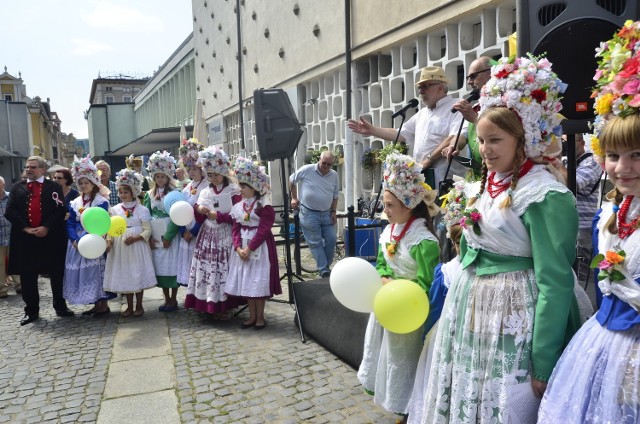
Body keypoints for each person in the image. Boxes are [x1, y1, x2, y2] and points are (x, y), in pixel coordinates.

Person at [422, 55, 582, 422]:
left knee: (509, 403)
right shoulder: (489, 183)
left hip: (517, 317)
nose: (486, 149)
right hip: (476, 312)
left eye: (495, 140)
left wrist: (544, 360)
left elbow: (555, 282)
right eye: (481, 140)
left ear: (522, 139)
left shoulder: (543, 194)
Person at [538, 20, 640, 423]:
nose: (623, 167)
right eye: (614, 156)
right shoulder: (612, 213)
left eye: (637, 156)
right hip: (606, 340)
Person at [357, 153, 440, 420]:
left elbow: (426, 283)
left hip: (408, 314)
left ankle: (408, 408)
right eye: (385, 204)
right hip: (387, 307)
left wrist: (399, 289)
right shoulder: (389, 231)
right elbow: (381, 263)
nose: (386, 210)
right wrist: (383, 278)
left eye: (391, 205)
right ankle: (396, 406)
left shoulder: (423, 241)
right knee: (386, 354)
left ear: (409, 205)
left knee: (405, 359)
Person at [348, 66, 467, 188]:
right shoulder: (422, 113)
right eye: (419, 88)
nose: (421, 91)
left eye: (425, 86)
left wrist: (428, 160)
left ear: (440, 88)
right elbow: (401, 133)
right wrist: (373, 130)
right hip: (423, 177)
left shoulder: (456, 106)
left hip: (446, 179)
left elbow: (454, 137)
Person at [5, 156, 75, 325]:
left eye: (33, 167)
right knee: (28, 276)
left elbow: (60, 210)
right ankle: (31, 311)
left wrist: (46, 227)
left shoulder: (54, 187)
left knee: (56, 274)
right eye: (27, 167)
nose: (29, 169)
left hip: (50, 239)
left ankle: (60, 306)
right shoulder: (17, 188)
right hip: (25, 240)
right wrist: (26, 228)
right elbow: (10, 211)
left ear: (43, 170)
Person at [185, 146, 244, 317]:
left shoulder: (233, 191)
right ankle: (209, 303)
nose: (213, 178)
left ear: (223, 172)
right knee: (209, 269)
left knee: (224, 268)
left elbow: (237, 215)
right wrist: (200, 208)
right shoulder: (205, 191)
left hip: (225, 234)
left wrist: (219, 216)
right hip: (208, 236)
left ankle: (226, 305)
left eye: (216, 174)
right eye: (209, 175)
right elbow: (198, 212)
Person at [226, 157, 281, 329]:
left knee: (258, 280)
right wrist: (237, 247)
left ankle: (260, 316)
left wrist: (250, 248)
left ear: (254, 188)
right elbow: (235, 228)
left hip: (259, 248)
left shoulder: (263, 206)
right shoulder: (238, 206)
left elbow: (264, 229)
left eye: (244, 186)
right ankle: (251, 315)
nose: (240, 190)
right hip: (243, 246)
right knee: (247, 280)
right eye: (240, 186)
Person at [548, 133, 603, 287]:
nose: (564, 146)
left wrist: (557, 166)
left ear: (580, 142)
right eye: (562, 142)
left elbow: (574, 184)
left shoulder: (593, 161)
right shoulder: (564, 161)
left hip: (582, 228)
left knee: (582, 279)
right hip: (563, 226)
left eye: (566, 142)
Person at [103, 169, 156, 317]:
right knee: (126, 274)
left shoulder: (142, 210)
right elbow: (111, 229)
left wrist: (136, 238)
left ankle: (139, 305)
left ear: (133, 192)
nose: (122, 195)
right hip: (121, 247)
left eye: (125, 192)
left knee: (136, 273)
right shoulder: (114, 210)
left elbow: (147, 230)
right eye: (120, 192)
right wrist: (108, 242)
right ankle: (129, 305)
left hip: (137, 246)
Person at [63, 156, 111, 315]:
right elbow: (70, 222)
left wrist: (97, 237)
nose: (83, 186)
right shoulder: (75, 202)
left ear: (94, 183)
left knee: (96, 272)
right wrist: (74, 240)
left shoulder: (100, 201)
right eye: (81, 183)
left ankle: (103, 304)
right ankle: (95, 303)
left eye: (86, 183)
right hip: (78, 242)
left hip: (94, 240)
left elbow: (103, 222)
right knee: (84, 274)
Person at [289, 150, 339, 278]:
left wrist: (333, 211)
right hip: (309, 212)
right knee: (315, 242)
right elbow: (291, 179)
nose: (326, 166)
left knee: (332, 239)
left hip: (327, 213)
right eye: (324, 163)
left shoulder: (334, 175)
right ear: (319, 160)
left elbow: (335, 195)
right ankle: (323, 270)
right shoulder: (308, 169)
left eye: (329, 164)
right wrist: (293, 198)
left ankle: (325, 267)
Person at [144, 150, 180, 312]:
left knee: (171, 264)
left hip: (169, 231)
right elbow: (146, 214)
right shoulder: (149, 194)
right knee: (160, 266)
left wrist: (169, 235)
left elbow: (177, 216)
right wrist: (149, 236)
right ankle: (166, 297)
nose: (160, 179)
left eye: (163, 176)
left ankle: (173, 298)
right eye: (157, 176)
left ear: (168, 177)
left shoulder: (174, 193)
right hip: (155, 231)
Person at [445, 56, 494, 175]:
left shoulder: (505, 104)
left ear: (491, 73)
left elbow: (501, 132)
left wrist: (474, 118)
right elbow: (464, 134)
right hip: (478, 177)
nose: (469, 82)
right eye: (468, 78)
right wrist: (454, 146)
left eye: (473, 76)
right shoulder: (476, 107)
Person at [176, 138, 205, 288]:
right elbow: (180, 209)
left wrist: (193, 231)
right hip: (186, 231)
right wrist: (182, 230)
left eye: (194, 168)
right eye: (189, 169)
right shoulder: (188, 187)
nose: (191, 172)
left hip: (199, 231)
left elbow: (204, 211)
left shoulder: (206, 186)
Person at [0, 176, 18, 298]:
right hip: (0, 235)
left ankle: (20, 285)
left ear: (3, 185)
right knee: (0, 264)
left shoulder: (11, 196)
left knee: (16, 260)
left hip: (13, 233)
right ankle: (2, 289)